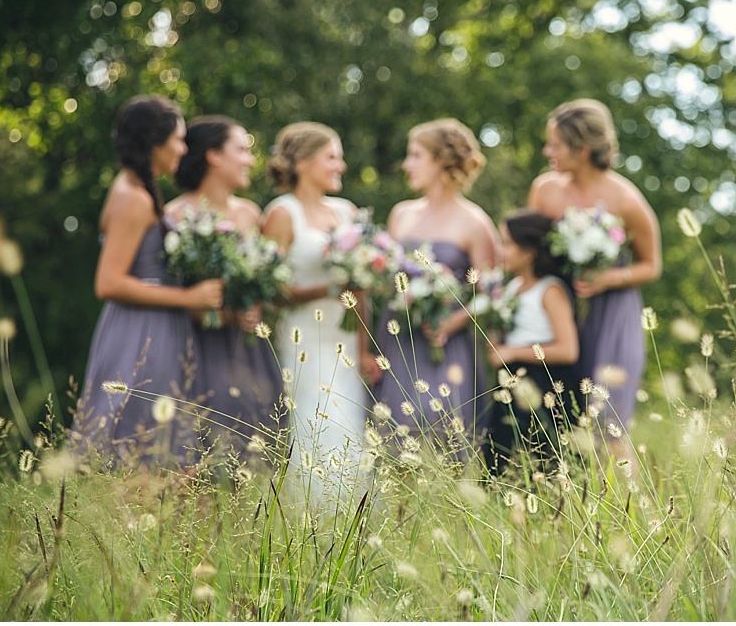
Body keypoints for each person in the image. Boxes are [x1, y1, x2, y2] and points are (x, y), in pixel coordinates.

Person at [70, 95, 223, 468]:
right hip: (139, 331)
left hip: (157, 326)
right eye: (178, 140)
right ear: (155, 143)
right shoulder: (133, 199)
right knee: (134, 441)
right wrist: (190, 296)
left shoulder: (140, 190)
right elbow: (108, 282)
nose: (184, 149)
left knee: (160, 446)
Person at [527, 98, 662, 466]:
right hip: (560, 311)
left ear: (582, 150)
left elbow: (651, 265)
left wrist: (608, 278)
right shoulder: (545, 190)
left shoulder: (625, 199)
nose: (547, 151)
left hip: (612, 315)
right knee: (559, 418)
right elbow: (530, 253)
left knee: (608, 424)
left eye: (555, 144)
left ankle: (628, 514)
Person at [372, 118, 501, 450]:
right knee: (395, 436)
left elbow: (491, 291)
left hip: (446, 345)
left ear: (442, 160)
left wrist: (451, 321)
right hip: (398, 338)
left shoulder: (475, 223)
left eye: (415, 155)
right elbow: (386, 277)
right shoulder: (401, 214)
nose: (407, 164)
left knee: (445, 433)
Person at [262, 121, 373, 508]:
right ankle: (310, 516)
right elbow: (268, 290)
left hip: (345, 343)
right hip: (303, 338)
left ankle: (351, 518)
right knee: (313, 424)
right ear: (304, 162)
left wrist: (365, 347)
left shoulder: (347, 212)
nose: (340, 166)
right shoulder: (281, 213)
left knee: (350, 427)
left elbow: (362, 290)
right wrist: (326, 291)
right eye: (332, 157)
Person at [165, 116, 286, 465]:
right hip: (195, 348)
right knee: (197, 456)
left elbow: (263, 280)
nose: (250, 159)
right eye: (242, 150)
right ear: (213, 156)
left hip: (247, 350)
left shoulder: (250, 214)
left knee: (251, 456)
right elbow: (168, 292)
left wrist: (255, 307)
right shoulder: (173, 215)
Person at [482, 210, 580, 477]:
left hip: (545, 381)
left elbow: (568, 350)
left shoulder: (550, 290)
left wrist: (512, 351)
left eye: (508, 244)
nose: (501, 251)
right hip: (510, 382)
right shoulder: (511, 288)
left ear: (530, 253)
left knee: (545, 459)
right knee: (500, 455)